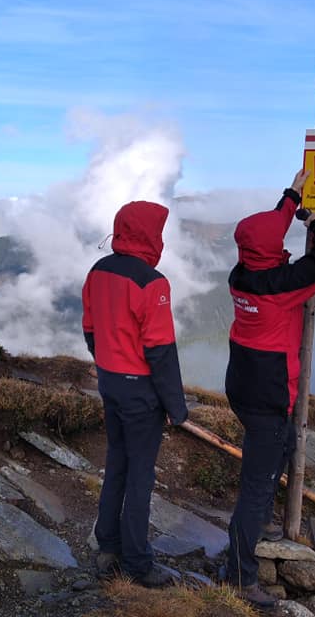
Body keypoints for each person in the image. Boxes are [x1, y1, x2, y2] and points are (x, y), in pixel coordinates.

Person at [223, 168, 315, 608]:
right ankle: (239, 575)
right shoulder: (280, 286)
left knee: (283, 446)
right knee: (256, 485)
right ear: (269, 253)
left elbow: (264, 239)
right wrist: (313, 220)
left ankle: (261, 526)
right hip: (268, 393)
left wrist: (291, 195)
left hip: (243, 383)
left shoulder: (242, 273)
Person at [82, 200, 189, 588]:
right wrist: (176, 407)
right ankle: (138, 563)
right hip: (140, 391)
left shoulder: (98, 270)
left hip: (109, 382)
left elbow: (90, 328)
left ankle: (107, 547)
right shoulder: (152, 282)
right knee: (140, 476)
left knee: (117, 465)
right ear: (150, 234)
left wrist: (107, 362)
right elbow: (160, 351)